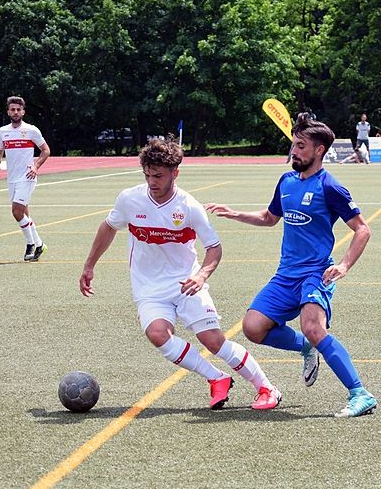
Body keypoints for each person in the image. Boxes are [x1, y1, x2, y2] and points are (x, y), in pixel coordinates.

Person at [79, 138, 281, 410]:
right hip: (149, 288)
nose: (152, 182)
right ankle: (216, 378)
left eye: (158, 176)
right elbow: (108, 227)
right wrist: (89, 265)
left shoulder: (189, 207)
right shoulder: (129, 199)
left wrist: (201, 276)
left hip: (187, 283)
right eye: (147, 175)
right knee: (157, 334)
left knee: (213, 341)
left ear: (175, 173)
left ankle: (267, 388)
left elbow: (214, 248)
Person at [206, 113, 377, 418]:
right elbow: (269, 218)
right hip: (286, 274)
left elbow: (362, 229)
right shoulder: (286, 181)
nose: (294, 152)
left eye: (301, 146)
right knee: (252, 328)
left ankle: (360, 393)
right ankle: (305, 347)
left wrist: (344, 265)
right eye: (294, 145)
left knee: (313, 327)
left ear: (319, 150)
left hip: (316, 273)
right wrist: (235, 213)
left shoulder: (330, 187)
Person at [0, 96, 50, 261]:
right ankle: (39, 245)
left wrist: (36, 166)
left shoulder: (31, 130)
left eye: (18, 109)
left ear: (23, 112)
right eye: (13, 109)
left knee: (16, 212)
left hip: (27, 176)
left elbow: (46, 150)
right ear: (8, 112)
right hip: (12, 178)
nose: (16, 112)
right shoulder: (3, 131)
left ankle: (30, 244)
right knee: (24, 214)